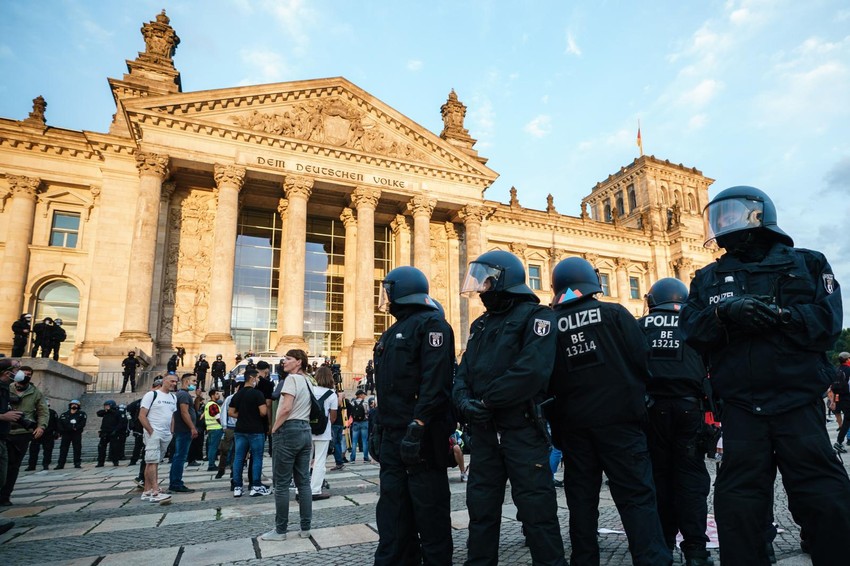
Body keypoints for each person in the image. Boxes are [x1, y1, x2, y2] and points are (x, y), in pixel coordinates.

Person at [680, 185, 850, 565]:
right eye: (718, 218)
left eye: (730, 215)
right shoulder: (707, 278)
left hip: (798, 403)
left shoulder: (808, 263)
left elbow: (828, 323)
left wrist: (782, 316)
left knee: (825, 497)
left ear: (758, 217)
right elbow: (690, 330)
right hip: (741, 407)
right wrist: (723, 314)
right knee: (738, 505)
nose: (723, 224)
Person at [547, 257, 670, 566]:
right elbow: (642, 358)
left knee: (581, 500)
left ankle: (584, 559)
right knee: (636, 496)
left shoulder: (549, 324)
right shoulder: (614, 313)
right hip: (621, 423)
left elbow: (544, 379)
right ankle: (652, 560)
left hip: (574, 427)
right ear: (593, 282)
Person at [452, 250, 566, 566]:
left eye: (486, 281)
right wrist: (463, 402)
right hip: (485, 432)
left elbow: (531, 371)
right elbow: (462, 372)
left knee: (537, 509)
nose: (481, 289)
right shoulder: (480, 325)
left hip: (522, 429)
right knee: (480, 507)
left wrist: (486, 402)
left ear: (504, 280)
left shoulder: (538, 317)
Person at [372, 266, 456, 565]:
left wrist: (418, 425)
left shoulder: (433, 326)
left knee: (430, 512)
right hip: (393, 434)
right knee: (392, 511)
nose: (385, 297)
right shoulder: (390, 332)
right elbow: (385, 389)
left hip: (422, 437)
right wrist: (378, 428)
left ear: (402, 290)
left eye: (388, 291)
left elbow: (435, 382)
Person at [638, 277, 713, 565]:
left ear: (652, 301)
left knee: (659, 477)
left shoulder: (640, 326)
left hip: (651, 410)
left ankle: (663, 545)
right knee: (691, 479)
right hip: (690, 410)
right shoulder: (695, 325)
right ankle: (696, 550)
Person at [261, 349, 312, 541]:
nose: (284, 361)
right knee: (303, 483)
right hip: (305, 430)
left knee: (281, 484)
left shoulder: (291, 379)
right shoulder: (308, 380)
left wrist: (274, 428)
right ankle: (305, 528)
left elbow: (286, 407)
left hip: (289, 429)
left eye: (288, 358)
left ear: (299, 362)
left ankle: (280, 530)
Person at [1, 367, 47, 505]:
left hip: (22, 433)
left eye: (28, 374)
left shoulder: (36, 392)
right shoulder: (6, 388)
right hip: (4, 430)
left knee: (13, 466)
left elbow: (43, 411)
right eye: (23, 373)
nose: (25, 376)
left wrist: (41, 426)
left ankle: (5, 496)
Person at [228, 368, 269, 497]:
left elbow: (231, 412)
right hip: (255, 429)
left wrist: (243, 415)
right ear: (252, 378)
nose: (258, 380)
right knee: (256, 457)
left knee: (239, 458)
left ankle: (237, 486)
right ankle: (256, 485)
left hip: (240, 429)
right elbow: (263, 412)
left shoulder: (237, 394)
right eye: (257, 378)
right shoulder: (257, 394)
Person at [138, 372, 178, 503]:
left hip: (166, 434)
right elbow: (142, 415)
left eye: (175, 382)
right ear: (164, 381)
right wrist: (151, 431)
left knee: (152, 462)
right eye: (171, 381)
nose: (174, 384)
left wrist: (171, 432)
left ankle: (147, 491)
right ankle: (155, 491)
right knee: (152, 461)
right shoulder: (152, 395)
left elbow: (171, 416)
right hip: (154, 433)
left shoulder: (173, 397)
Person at [0, 359, 24, 533]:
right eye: (17, 368)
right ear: (7, 372)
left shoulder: (4, 389)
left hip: (2, 438)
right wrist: (3, 417)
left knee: (2, 479)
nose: (19, 372)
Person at [310, 366, 338, 500]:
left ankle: (300, 489)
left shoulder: (310, 390)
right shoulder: (332, 394)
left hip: (307, 429)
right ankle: (315, 490)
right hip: (323, 431)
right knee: (319, 461)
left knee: (304, 461)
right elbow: (333, 417)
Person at [169, 373, 199, 493]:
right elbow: (184, 412)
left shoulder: (183, 394)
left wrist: (198, 397)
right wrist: (192, 427)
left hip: (183, 430)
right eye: (194, 381)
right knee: (180, 457)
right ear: (186, 381)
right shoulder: (183, 395)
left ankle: (175, 482)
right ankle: (176, 483)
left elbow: (193, 410)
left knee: (179, 456)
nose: (195, 383)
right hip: (184, 430)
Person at [216, 374, 243, 480]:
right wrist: (224, 426)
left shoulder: (244, 397)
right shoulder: (230, 398)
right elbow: (223, 412)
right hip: (230, 427)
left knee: (237, 452)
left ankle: (234, 471)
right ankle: (221, 469)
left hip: (240, 428)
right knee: (225, 450)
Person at [26, 400, 58, 471]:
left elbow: (56, 423)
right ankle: (32, 465)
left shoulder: (52, 412)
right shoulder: (35, 413)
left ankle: (46, 464)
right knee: (33, 450)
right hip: (37, 433)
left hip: (48, 434)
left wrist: (56, 432)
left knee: (47, 451)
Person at [55, 399, 86, 469]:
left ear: (78, 406)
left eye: (75, 405)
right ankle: (60, 464)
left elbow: (82, 423)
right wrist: (62, 431)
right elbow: (59, 423)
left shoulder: (82, 414)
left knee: (77, 448)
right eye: (72, 404)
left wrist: (76, 428)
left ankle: (77, 463)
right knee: (63, 449)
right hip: (66, 434)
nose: (74, 406)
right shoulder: (64, 414)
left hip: (76, 433)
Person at [95, 400, 124, 467]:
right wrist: (107, 410)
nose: (106, 407)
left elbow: (121, 422)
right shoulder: (105, 412)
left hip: (113, 432)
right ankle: (100, 462)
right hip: (105, 432)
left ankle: (115, 461)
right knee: (101, 447)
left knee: (114, 448)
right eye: (105, 406)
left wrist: (116, 430)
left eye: (107, 406)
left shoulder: (117, 412)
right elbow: (99, 413)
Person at [833, 352, 850, 452]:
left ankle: (840, 441)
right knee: (847, 420)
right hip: (847, 398)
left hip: (838, 398)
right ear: (847, 359)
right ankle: (839, 442)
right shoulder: (848, 369)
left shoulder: (836, 369)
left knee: (847, 420)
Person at [203, 389, 223, 471]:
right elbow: (218, 417)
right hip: (216, 428)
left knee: (212, 446)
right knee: (213, 447)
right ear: (212, 395)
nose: (218, 395)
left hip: (211, 428)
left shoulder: (208, 404)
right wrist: (223, 425)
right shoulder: (213, 405)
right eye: (217, 394)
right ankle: (211, 465)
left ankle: (211, 463)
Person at [349, 389, 370, 463]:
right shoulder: (365, 402)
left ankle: (352, 459)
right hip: (364, 422)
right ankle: (366, 458)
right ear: (360, 395)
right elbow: (368, 412)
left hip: (355, 423)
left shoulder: (352, 403)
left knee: (354, 441)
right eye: (363, 394)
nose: (364, 396)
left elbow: (351, 412)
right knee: (364, 441)